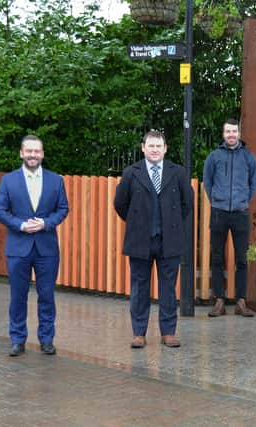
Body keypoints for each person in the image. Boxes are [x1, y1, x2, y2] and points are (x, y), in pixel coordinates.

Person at [114, 130, 193, 349]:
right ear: (143, 148)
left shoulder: (177, 173)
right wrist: (136, 222)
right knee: (139, 287)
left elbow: (188, 203)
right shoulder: (132, 173)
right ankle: (139, 332)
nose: (155, 149)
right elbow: (120, 203)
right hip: (140, 239)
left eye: (159, 146)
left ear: (165, 148)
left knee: (168, 288)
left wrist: (171, 222)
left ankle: (168, 332)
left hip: (170, 239)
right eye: (151, 146)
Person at [0, 135, 69, 357]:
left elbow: (63, 209)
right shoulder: (9, 180)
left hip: (47, 249)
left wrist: (46, 223)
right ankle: (17, 340)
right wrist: (21, 225)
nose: (33, 155)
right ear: (21, 153)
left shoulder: (56, 180)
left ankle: (46, 340)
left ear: (43, 154)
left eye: (37, 151)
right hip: (18, 248)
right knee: (18, 296)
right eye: (29, 151)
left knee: (47, 295)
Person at [203, 119, 256, 317]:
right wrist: (216, 200)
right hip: (219, 212)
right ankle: (219, 301)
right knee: (217, 257)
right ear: (223, 133)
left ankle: (240, 302)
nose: (231, 135)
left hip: (240, 213)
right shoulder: (214, 157)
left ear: (239, 133)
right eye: (228, 131)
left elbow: (254, 182)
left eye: (234, 131)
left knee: (242, 258)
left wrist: (244, 200)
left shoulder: (249, 157)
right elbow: (207, 182)